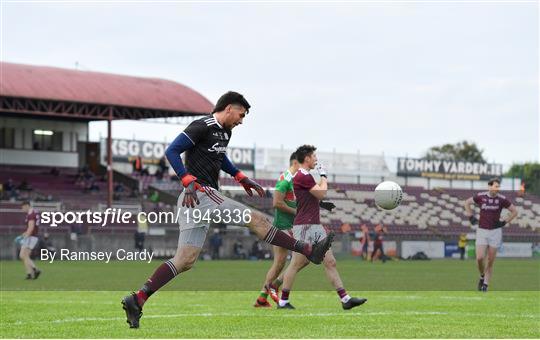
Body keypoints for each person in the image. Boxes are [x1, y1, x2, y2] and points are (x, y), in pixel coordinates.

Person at [121, 92, 333, 328]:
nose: (241, 121)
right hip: (201, 194)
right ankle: (307, 249)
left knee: (185, 260)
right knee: (257, 220)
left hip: (197, 200)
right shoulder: (202, 125)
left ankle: (137, 299)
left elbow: (219, 158)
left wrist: (240, 177)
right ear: (230, 108)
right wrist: (186, 179)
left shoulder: (225, 132)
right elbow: (172, 151)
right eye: (241, 115)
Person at [277, 145, 365, 310]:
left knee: (330, 262)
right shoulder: (303, 175)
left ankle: (345, 299)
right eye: (314, 157)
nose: (316, 159)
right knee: (296, 263)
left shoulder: (305, 176)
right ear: (307, 158)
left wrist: (321, 203)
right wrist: (323, 176)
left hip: (313, 225)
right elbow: (321, 192)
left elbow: (314, 196)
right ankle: (283, 301)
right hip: (304, 226)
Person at [463, 177, 518, 292]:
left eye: (498, 187)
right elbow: (467, 202)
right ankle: (482, 276)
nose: (496, 189)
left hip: (495, 232)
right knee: (479, 258)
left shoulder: (502, 199)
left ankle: (485, 286)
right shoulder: (481, 197)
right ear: (489, 186)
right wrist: (470, 216)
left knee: (490, 260)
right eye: (495, 186)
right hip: (482, 231)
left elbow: (515, 211)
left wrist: (504, 222)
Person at [19, 201, 41, 280]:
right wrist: (23, 235)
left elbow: (31, 228)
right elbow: (32, 228)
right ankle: (29, 273)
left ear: (27, 206)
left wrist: (25, 236)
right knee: (23, 256)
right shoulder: (35, 212)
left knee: (24, 255)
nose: (22, 209)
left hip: (31, 237)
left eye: (23, 207)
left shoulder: (31, 214)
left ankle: (35, 269)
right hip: (32, 236)